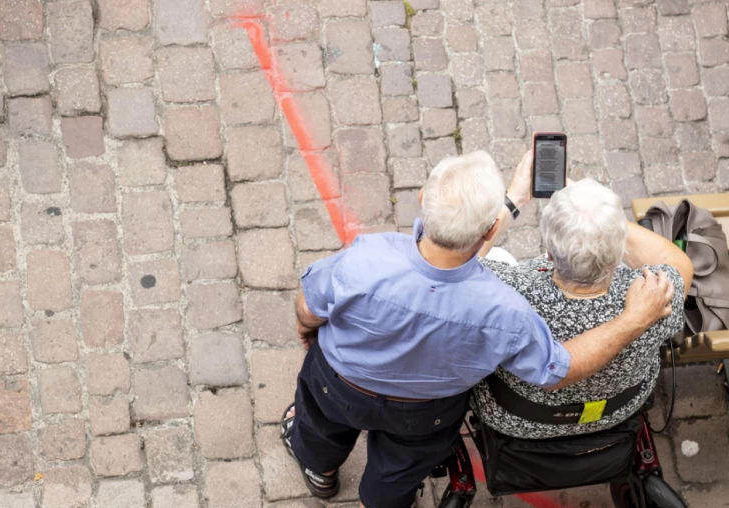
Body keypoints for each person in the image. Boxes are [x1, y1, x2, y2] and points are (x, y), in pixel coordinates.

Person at [281, 148, 675, 508]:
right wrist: (634, 318)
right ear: (489, 231)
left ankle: (321, 473)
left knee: (319, 427)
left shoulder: (366, 257)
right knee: (398, 469)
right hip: (425, 413)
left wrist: (306, 328)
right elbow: (557, 369)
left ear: (423, 198)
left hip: (339, 383)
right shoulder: (503, 308)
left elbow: (309, 305)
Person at [472, 178, 693, 439]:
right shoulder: (652, 296)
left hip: (515, 418)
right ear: (619, 249)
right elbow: (678, 261)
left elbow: (464, 262)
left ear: (550, 252)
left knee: (496, 256)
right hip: (616, 412)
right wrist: (601, 222)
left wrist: (512, 201)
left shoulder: (506, 289)